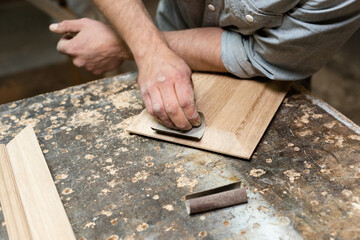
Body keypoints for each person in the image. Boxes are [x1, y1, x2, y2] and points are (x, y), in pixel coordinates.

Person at [49, 0, 360, 131]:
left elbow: (262, 55)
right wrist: (147, 48)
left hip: (270, 80)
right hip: (170, 30)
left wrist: (124, 45)